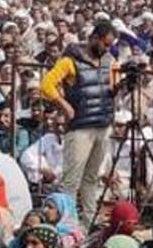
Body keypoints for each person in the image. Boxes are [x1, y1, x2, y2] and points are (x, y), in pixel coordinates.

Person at [40, 20, 117, 220]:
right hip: (80, 126)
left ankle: (89, 220)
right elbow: (47, 84)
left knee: (91, 178)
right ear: (93, 38)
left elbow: (111, 87)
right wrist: (63, 104)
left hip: (102, 124)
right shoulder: (69, 61)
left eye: (110, 45)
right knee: (71, 180)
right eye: (105, 44)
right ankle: (67, 221)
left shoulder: (109, 61)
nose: (107, 49)